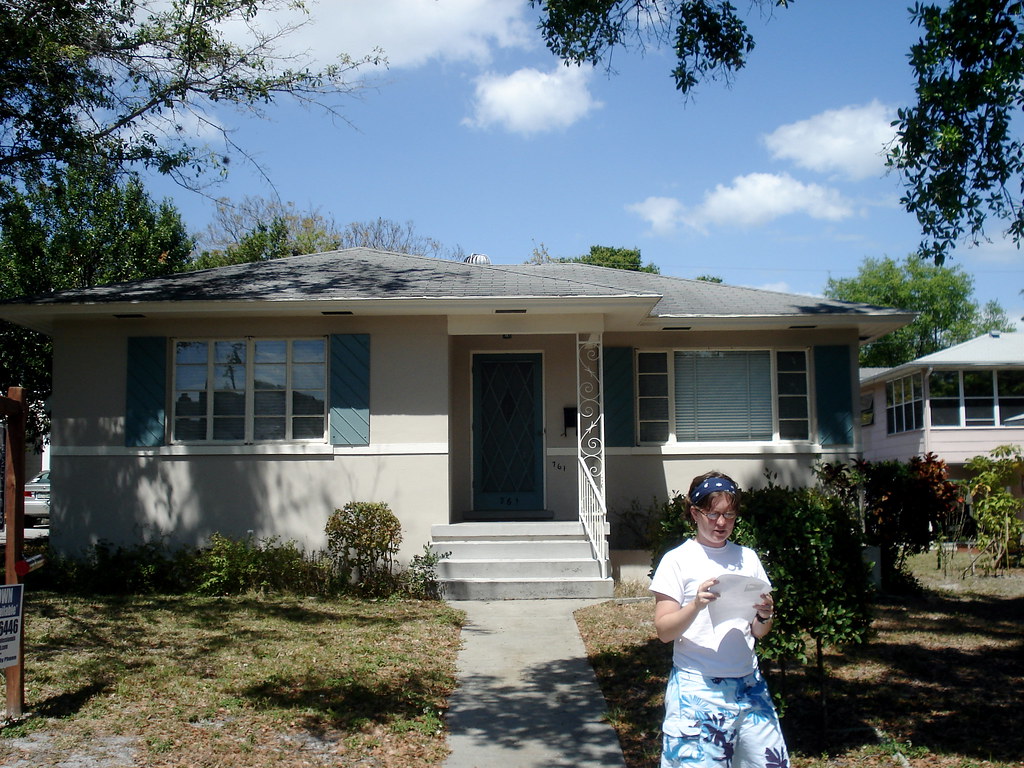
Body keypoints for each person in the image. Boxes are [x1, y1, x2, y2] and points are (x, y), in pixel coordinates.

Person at [649, 471, 789, 768]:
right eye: (713, 514)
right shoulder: (677, 560)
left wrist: (765, 614)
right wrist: (696, 605)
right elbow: (664, 630)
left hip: (749, 685)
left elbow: (759, 631)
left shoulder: (747, 558)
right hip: (697, 688)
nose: (722, 523)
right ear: (694, 512)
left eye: (730, 515)